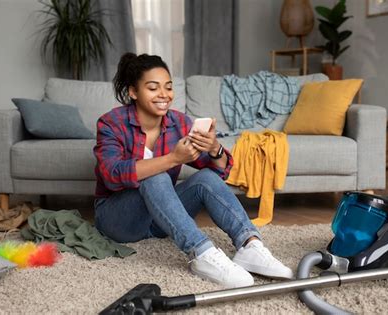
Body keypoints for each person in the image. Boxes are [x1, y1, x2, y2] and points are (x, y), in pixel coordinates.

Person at [93, 53, 293, 288]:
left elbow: (218, 173)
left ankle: (249, 245)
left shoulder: (179, 123)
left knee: (205, 178)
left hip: (159, 219)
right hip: (119, 219)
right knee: (155, 176)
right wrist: (172, 158)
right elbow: (112, 174)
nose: (164, 95)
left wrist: (215, 148)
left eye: (168, 87)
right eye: (153, 88)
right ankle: (202, 253)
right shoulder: (111, 123)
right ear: (133, 92)